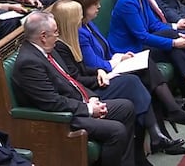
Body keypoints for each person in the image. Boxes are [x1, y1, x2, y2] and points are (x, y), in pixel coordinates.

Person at [52, 0, 185, 156]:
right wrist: (99, 74)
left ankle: (157, 134)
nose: (81, 19)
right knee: (133, 83)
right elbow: (74, 79)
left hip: (96, 80)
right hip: (88, 92)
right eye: (78, 16)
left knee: (142, 76)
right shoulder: (61, 45)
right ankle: (157, 132)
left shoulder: (74, 36)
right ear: (70, 20)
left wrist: (99, 71)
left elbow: (83, 69)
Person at [12, 11, 138, 166]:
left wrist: (91, 98)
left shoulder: (49, 49)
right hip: (59, 118)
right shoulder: (28, 63)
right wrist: (88, 109)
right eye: (56, 32)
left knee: (126, 107)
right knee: (116, 130)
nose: (58, 36)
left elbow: (71, 80)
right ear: (43, 36)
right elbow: (52, 102)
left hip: (77, 104)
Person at [67, 0, 185, 126]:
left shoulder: (89, 24)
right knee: (143, 74)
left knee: (147, 66)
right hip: (101, 76)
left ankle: (169, 115)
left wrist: (120, 56)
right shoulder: (80, 32)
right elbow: (95, 64)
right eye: (94, 4)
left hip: (111, 64)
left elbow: (106, 50)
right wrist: (117, 60)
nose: (99, 7)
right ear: (83, 8)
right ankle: (171, 113)